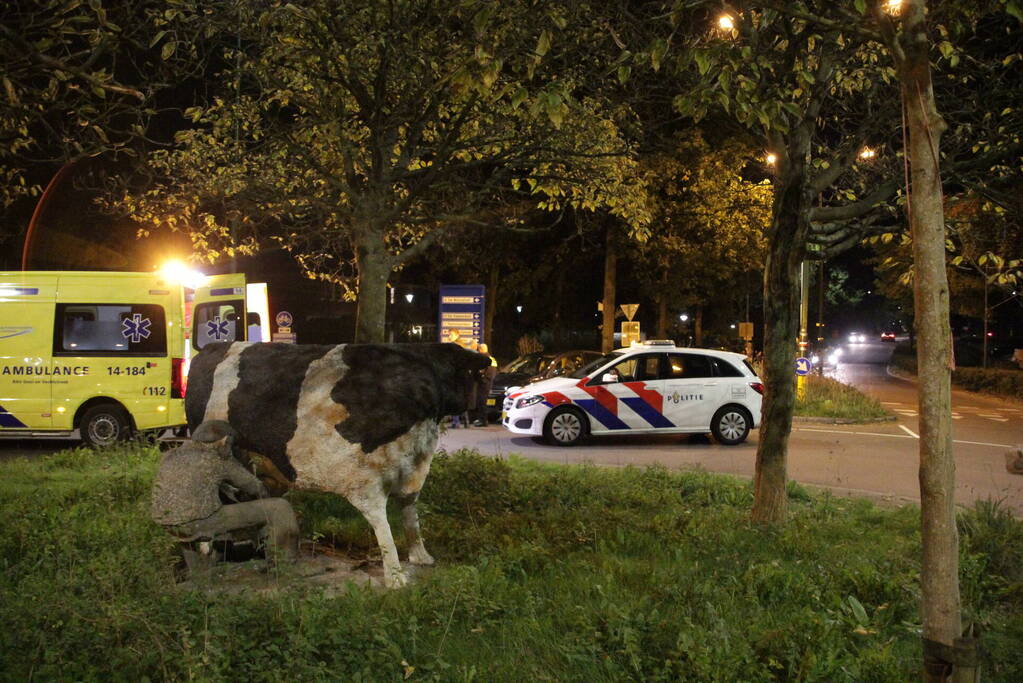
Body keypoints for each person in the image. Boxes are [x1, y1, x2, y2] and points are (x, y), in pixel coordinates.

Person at [151, 420, 299, 564]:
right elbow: (255, 487)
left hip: (166, 523)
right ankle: (283, 563)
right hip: (198, 522)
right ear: (225, 441)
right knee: (279, 507)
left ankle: (197, 572)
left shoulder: (171, 455)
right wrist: (265, 500)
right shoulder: (218, 457)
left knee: (191, 520)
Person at [472, 343, 498, 426]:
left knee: (481, 402)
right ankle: (482, 420)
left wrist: (480, 378)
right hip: (487, 383)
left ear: (480, 350)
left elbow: (482, 372)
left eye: (478, 350)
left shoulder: (483, 359)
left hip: (483, 384)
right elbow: (493, 372)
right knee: (482, 402)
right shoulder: (492, 358)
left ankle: (483, 421)